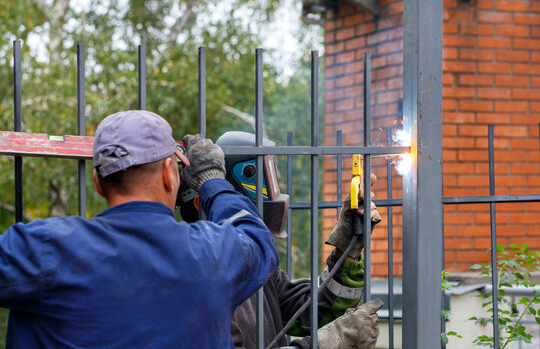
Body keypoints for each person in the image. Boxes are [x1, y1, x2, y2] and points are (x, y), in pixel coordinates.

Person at [0, 111, 279, 348]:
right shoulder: (212, 253)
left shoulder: (42, 248)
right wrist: (212, 181)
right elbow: (257, 240)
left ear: (98, 183)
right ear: (170, 174)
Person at [178, 131, 383, 349]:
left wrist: (346, 249)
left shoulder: (253, 262)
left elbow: (313, 310)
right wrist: (323, 345)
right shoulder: (195, 274)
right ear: (202, 204)